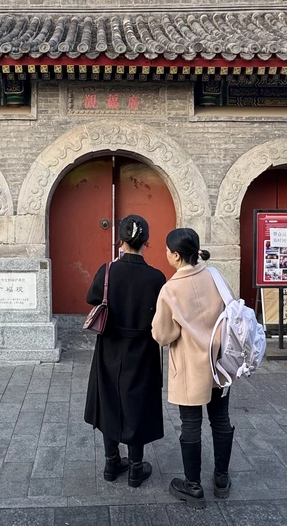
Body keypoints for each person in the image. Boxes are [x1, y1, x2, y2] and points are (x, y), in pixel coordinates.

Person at [152, 228, 234, 507]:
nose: (165, 254)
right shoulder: (215, 276)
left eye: (166, 250)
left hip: (189, 366)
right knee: (221, 420)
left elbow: (163, 336)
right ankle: (221, 479)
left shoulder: (171, 289)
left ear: (176, 255)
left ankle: (193, 486)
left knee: (191, 424)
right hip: (221, 362)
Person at [84, 215, 167, 488]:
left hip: (109, 344)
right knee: (138, 402)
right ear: (147, 241)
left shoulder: (107, 270)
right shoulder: (157, 277)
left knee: (108, 398)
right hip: (143, 347)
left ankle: (110, 462)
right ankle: (135, 467)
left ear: (120, 240)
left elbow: (93, 298)